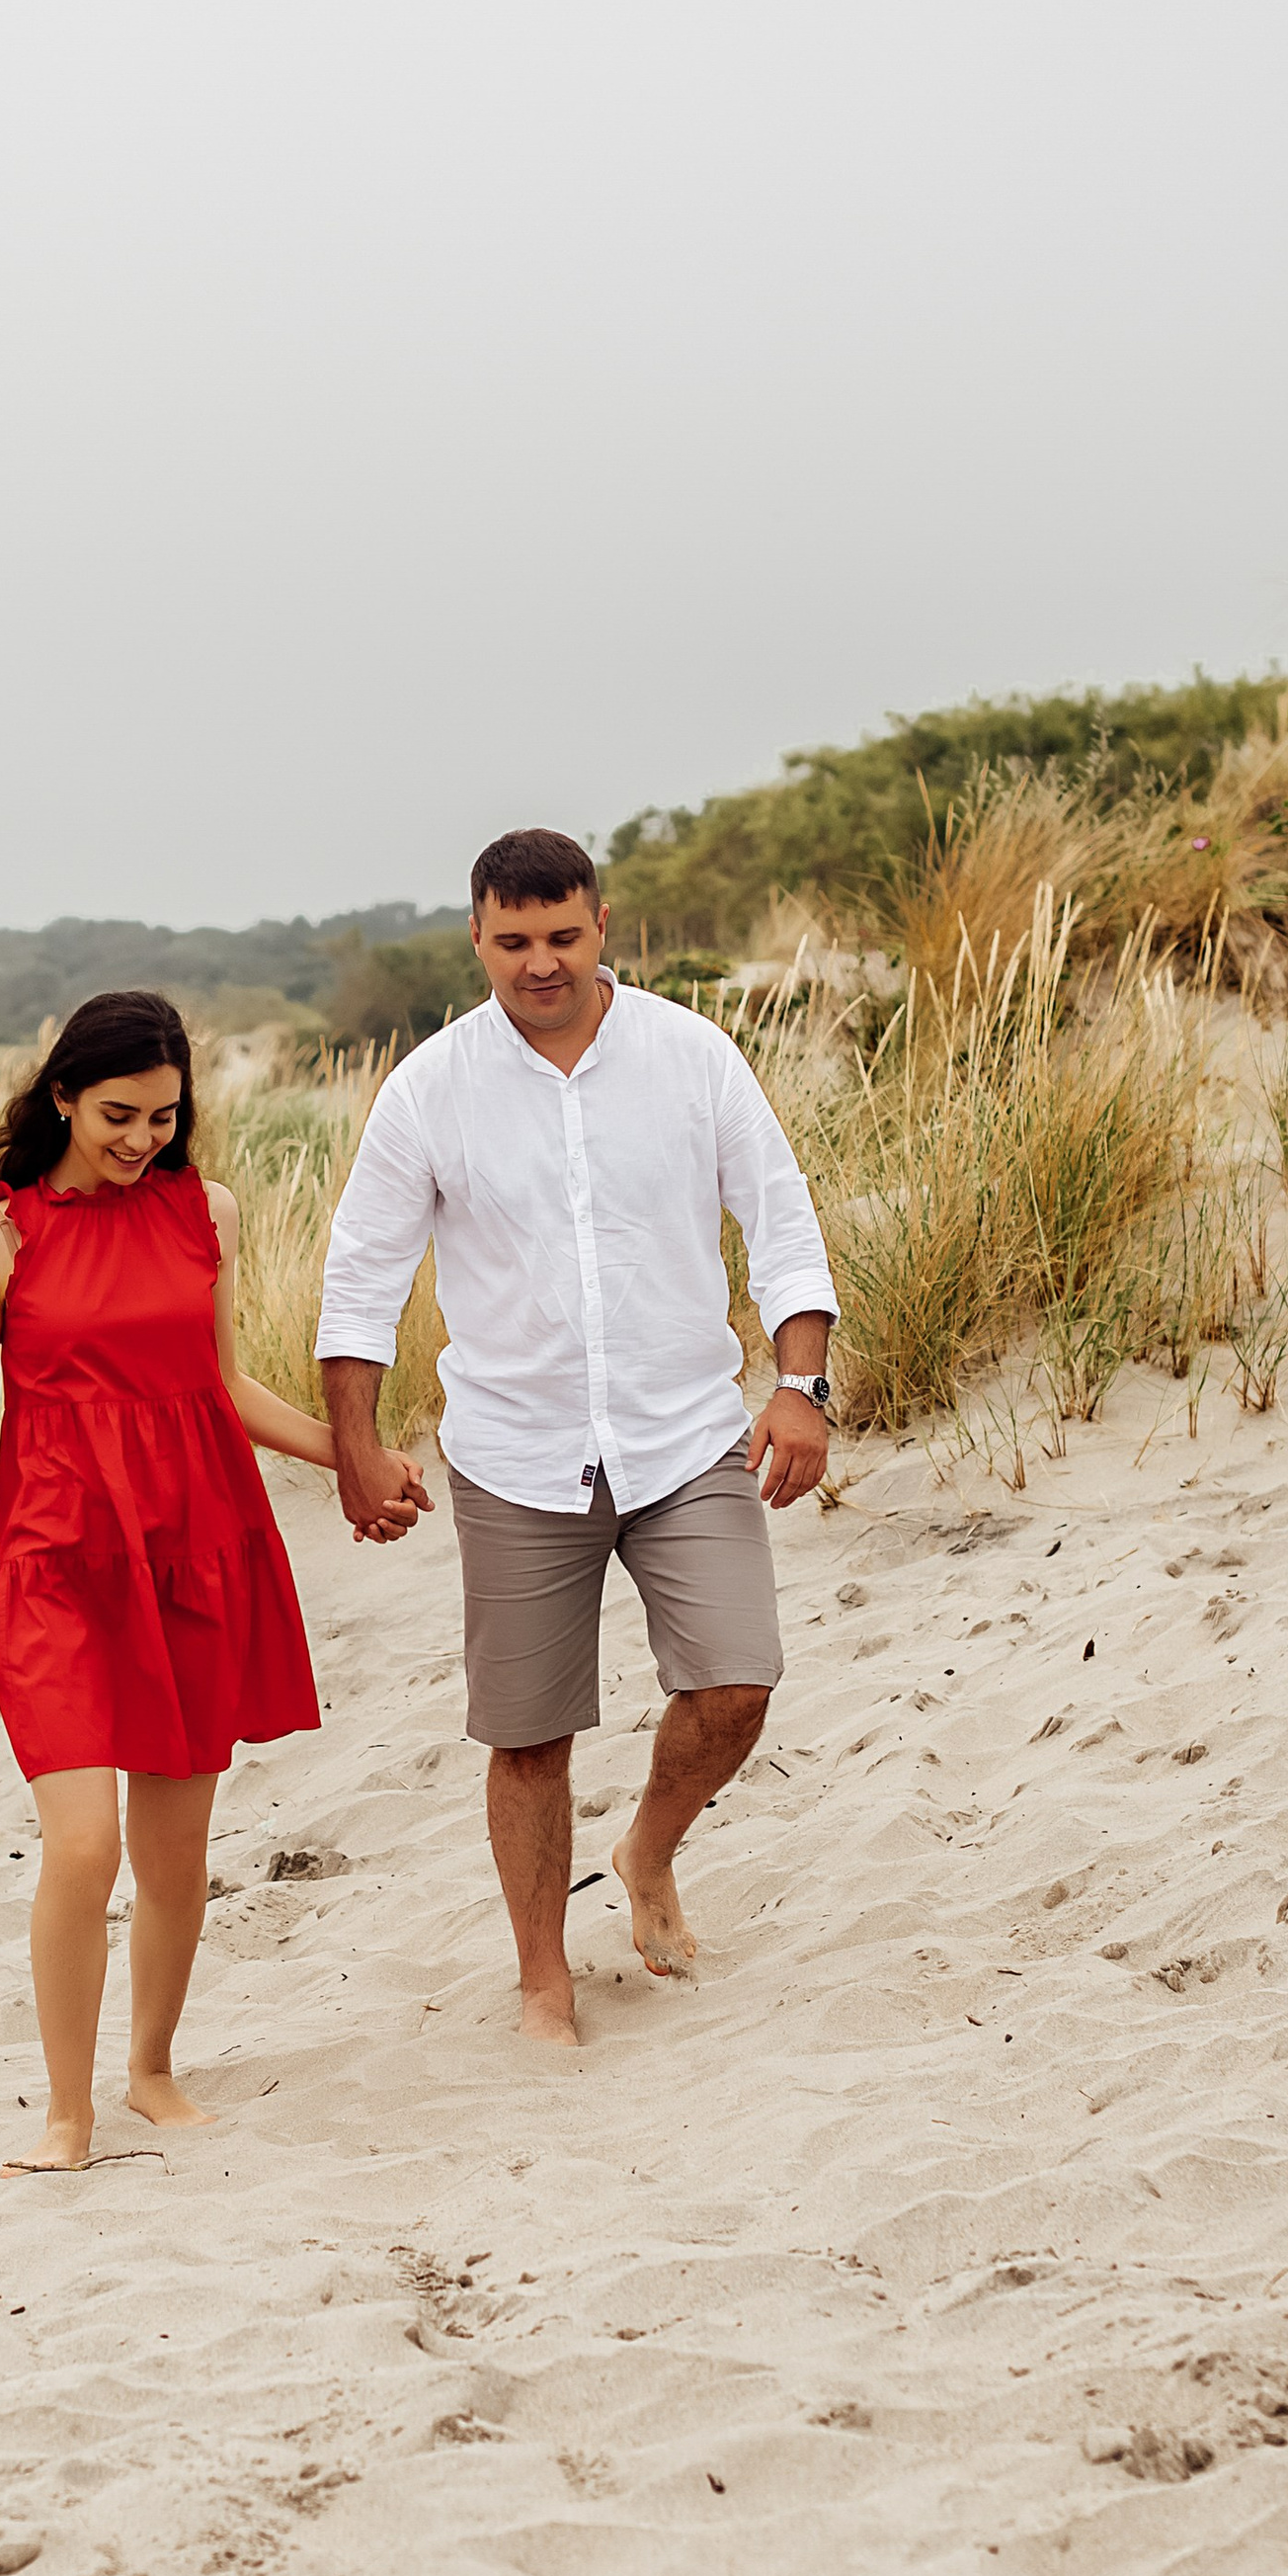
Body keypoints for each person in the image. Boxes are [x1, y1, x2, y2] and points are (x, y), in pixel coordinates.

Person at [315, 829, 837, 2046]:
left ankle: (648, 1848)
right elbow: (359, 1283)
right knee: (528, 1734)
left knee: (736, 1681)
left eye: (562, 937)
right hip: (513, 1452)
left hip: (685, 1432)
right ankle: (542, 1980)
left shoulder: (690, 1056)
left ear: (603, 926)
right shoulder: (429, 1090)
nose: (539, 964)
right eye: (513, 942)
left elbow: (782, 1220)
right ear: (478, 940)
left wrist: (801, 1384)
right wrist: (355, 1444)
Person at [0, 990, 421, 2170]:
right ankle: (66, 2114)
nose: (143, 1136)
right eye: (117, 1113)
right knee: (83, 1845)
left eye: (162, 1113)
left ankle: (149, 2072)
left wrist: (355, 1458)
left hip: (192, 1549)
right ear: (60, 1097)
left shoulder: (208, 1213)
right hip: (55, 1563)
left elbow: (222, 1388)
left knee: (174, 1855)